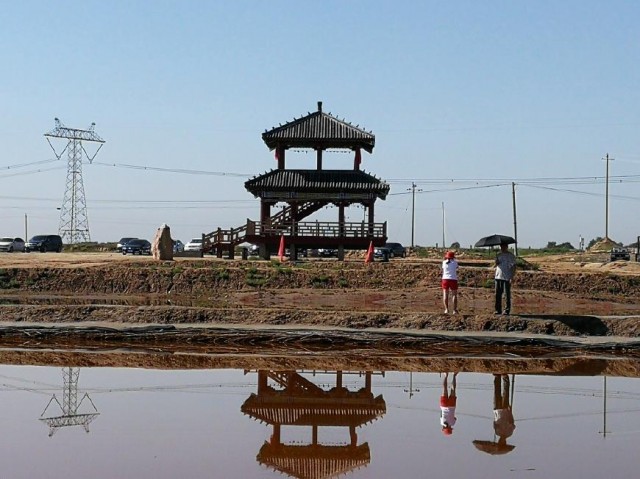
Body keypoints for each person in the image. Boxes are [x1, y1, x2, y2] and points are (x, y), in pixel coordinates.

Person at [493, 374, 516, 446]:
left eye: (499, 442)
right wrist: (510, 412)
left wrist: (496, 426)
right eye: (501, 442)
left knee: (496, 392)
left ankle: (497, 377)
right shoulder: (509, 433)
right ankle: (505, 378)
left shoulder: (497, 433)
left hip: (497, 411)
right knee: (505, 393)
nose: (500, 440)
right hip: (505, 411)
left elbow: (494, 423)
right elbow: (512, 423)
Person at [494, 243, 516, 315]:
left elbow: (513, 267)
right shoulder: (498, 255)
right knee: (497, 294)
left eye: (503, 246)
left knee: (506, 294)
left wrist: (512, 277)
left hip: (506, 277)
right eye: (501, 247)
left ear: (506, 247)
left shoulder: (510, 256)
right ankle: (498, 309)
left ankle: (506, 310)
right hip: (498, 276)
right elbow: (496, 265)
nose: (502, 248)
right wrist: (496, 262)